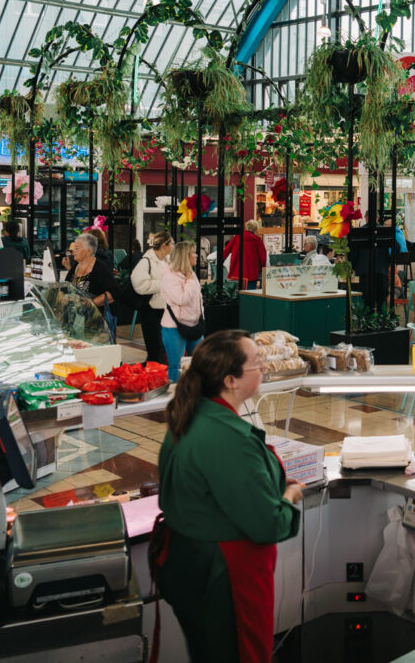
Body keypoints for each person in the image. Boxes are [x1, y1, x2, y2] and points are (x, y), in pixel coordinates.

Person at [157, 331, 303, 663]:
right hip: (226, 579)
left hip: (190, 565)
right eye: (256, 362)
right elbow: (267, 523)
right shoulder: (228, 437)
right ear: (230, 380)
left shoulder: (193, 414)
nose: (264, 366)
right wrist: (289, 496)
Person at [161, 241, 205, 381]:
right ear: (185, 256)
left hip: (194, 325)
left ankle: (196, 393)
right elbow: (182, 299)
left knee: (201, 362)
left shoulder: (190, 273)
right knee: (177, 366)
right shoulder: (170, 276)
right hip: (174, 327)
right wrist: (191, 281)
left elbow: (197, 298)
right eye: (193, 252)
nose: (196, 255)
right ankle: (175, 398)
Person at [131, 231, 174, 370]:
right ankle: (155, 376)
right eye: (171, 243)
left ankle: (157, 373)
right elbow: (140, 285)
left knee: (162, 347)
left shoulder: (166, 261)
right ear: (164, 245)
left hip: (164, 309)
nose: (173, 246)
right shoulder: (146, 261)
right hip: (150, 310)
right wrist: (163, 283)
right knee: (154, 348)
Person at [66, 232, 120, 343]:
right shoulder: (75, 268)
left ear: (89, 250)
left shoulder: (100, 268)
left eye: (77, 248)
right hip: (75, 323)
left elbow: (114, 293)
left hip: (96, 325)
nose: (73, 251)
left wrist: (91, 302)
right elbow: (65, 287)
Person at [223, 220, 268, 289]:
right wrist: (263, 267)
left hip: (236, 272)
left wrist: (221, 261)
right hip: (252, 272)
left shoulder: (237, 237)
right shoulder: (257, 240)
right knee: (250, 294)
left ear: (246, 227)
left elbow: (226, 251)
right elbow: (263, 257)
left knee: (236, 293)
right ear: (256, 229)